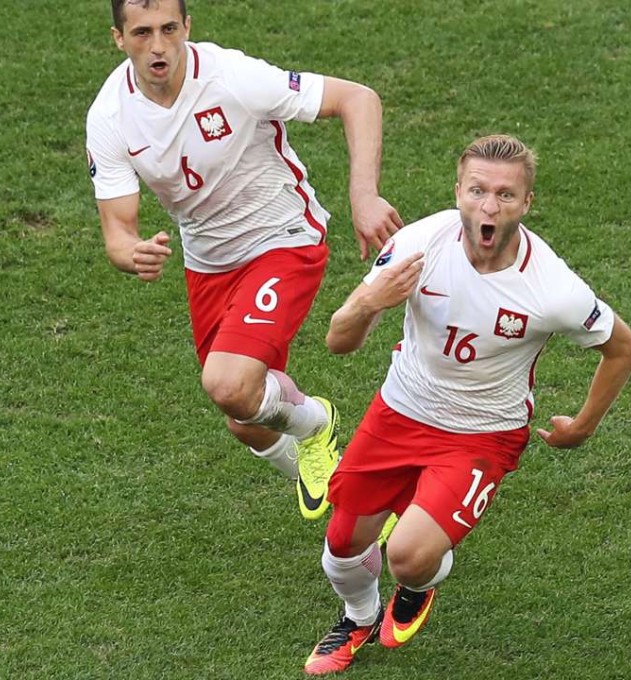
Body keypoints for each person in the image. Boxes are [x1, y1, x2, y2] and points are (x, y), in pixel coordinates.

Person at [302, 134, 631, 674]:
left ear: (526, 203)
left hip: (483, 434)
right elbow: (338, 342)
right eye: (478, 190)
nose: (489, 207)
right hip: (399, 411)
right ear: (458, 191)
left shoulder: (552, 288)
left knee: (408, 556)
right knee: (343, 545)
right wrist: (367, 302)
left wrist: (583, 425)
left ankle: (420, 582)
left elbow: (623, 348)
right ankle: (358, 618)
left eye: (505, 195)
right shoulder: (418, 245)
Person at [85, 0, 404, 521]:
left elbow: (358, 98)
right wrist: (131, 253)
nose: (159, 46)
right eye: (142, 33)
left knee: (229, 384)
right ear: (118, 38)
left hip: (282, 238)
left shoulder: (231, 77)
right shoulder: (110, 116)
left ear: (188, 26)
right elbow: (117, 232)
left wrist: (364, 196)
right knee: (243, 416)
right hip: (209, 262)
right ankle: (349, 499)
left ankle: (318, 425)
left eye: (169, 29)